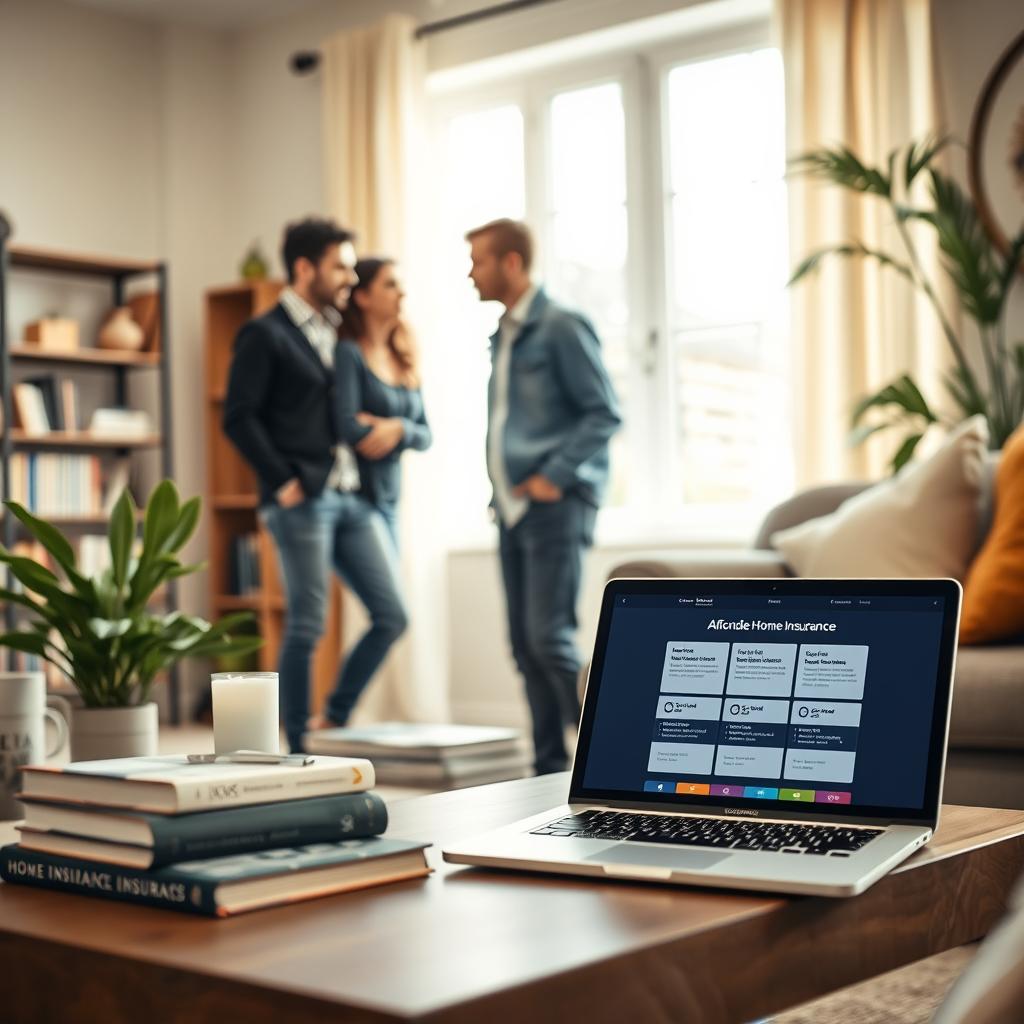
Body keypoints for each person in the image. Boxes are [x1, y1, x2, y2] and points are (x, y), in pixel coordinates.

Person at [222, 218, 407, 753]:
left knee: (392, 614)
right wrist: (281, 482)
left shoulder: (340, 333)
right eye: (340, 266)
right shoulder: (264, 333)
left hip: (353, 497)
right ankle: (301, 742)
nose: (350, 276)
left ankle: (335, 718)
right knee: (307, 622)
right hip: (302, 498)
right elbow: (239, 417)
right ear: (305, 268)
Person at [465, 218, 622, 775]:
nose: (470, 273)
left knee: (549, 637)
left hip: (556, 504)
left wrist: (553, 473)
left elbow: (604, 412)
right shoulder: (503, 334)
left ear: (511, 262)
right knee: (524, 646)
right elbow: (510, 419)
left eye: (478, 261)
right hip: (512, 510)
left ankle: (607, 752)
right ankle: (549, 768)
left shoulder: (560, 326)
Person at [336, 258, 432, 547]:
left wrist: (398, 429)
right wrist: (402, 431)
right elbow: (348, 427)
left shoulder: (403, 354)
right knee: (389, 593)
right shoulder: (349, 353)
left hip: (391, 496)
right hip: (358, 499)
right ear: (363, 297)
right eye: (390, 285)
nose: (401, 293)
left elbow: (426, 434)